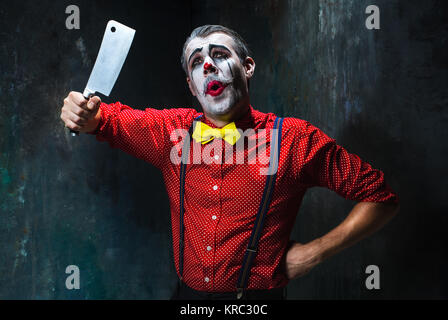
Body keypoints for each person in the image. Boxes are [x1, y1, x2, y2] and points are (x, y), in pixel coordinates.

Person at [60, 25, 399, 300]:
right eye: (196, 62)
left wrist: (315, 252)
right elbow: (103, 119)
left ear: (247, 67)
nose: (208, 64)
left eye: (220, 55)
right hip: (188, 299)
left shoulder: (295, 140)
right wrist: (80, 113)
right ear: (193, 87)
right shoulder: (171, 132)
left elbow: (380, 198)